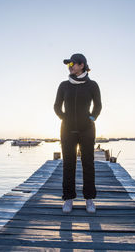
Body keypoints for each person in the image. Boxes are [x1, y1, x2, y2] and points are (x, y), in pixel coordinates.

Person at [54, 53, 102, 213]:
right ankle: (68, 199)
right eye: (68, 65)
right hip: (67, 130)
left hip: (87, 130)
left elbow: (98, 106)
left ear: (82, 65)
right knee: (68, 164)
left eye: (72, 64)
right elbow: (56, 106)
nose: (69, 67)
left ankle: (89, 199)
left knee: (88, 164)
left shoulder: (92, 85)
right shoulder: (63, 85)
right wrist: (64, 118)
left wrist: (91, 118)